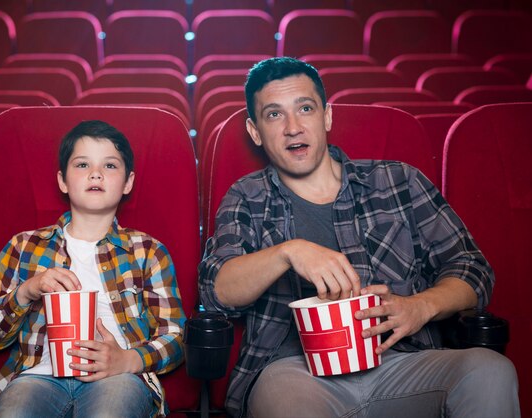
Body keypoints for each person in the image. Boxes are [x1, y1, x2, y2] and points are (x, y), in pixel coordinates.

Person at [198, 57, 520, 418]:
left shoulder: (398, 180)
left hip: (402, 363)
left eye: (305, 108)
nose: (293, 127)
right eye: (274, 115)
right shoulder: (247, 196)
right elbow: (217, 292)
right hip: (295, 374)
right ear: (255, 131)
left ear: (327, 116)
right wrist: (288, 253)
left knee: (490, 370)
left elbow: (472, 269)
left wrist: (421, 306)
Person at [0, 120, 186, 418]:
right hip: (38, 376)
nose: (96, 173)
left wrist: (128, 360)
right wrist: (26, 291)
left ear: (128, 182)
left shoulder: (147, 251)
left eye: (110, 166)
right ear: (63, 180)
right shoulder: (24, 246)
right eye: (82, 164)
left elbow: (176, 335)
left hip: (118, 377)